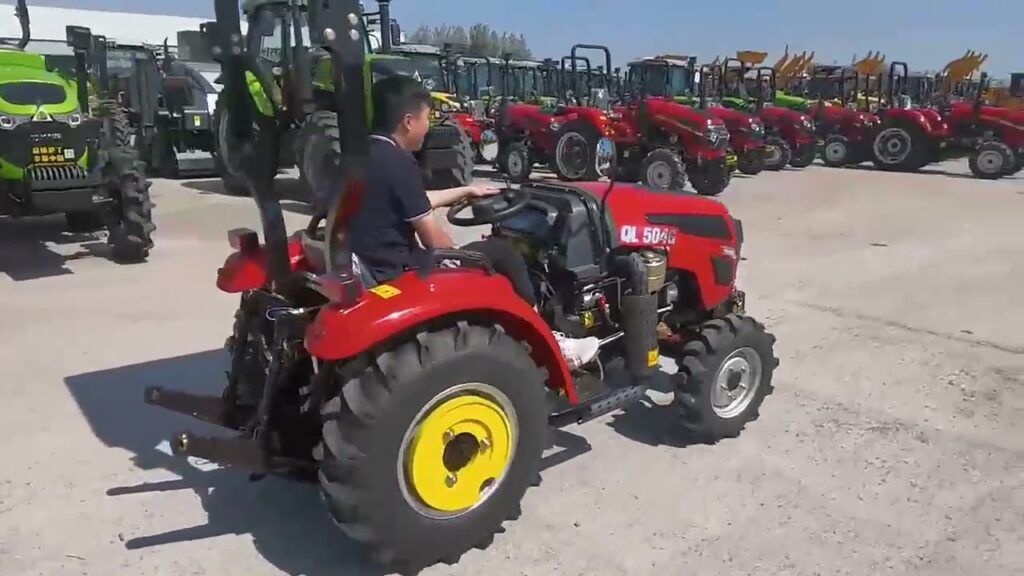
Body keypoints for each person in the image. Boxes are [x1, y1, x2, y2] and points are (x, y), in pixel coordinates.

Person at [349, 75, 599, 370]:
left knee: (488, 252)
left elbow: (411, 200)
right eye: (427, 118)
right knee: (503, 253)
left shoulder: (363, 154)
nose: (428, 127)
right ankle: (550, 341)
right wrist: (460, 258)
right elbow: (432, 239)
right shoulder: (400, 162)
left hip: (372, 261)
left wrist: (467, 191)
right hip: (400, 268)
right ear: (408, 121)